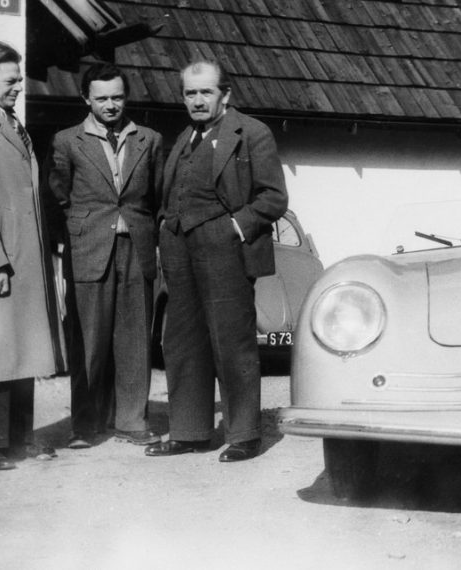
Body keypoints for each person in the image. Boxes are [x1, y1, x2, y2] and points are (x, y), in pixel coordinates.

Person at [145, 59, 287, 462]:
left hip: (226, 249)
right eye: (190, 93)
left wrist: (234, 227)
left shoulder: (252, 133)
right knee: (182, 341)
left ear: (225, 94)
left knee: (231, 341)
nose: (197, 100)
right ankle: (190, 432)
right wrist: (165, 226)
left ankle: (244, 434)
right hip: (180, 248)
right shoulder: (185, 137)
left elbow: (274, 197)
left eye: (206, 91)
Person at [47, 62, 165, 449]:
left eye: (117, 97)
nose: (111, 105)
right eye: (102, 99)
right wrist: (80, 230)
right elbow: (58, 195)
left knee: (134, 340)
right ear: (86, 98)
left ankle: (131, 420)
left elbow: (157, 195)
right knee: (89, 340)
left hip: (136, 246)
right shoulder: (67, 141)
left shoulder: (149, 139)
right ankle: (85, 424)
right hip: (88, 248)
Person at [0, 41, 63, 470]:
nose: (18, 87)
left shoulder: (7, 120)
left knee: (23, 348)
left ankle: (19, 439)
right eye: (10, 80)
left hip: (23, 255)